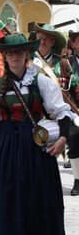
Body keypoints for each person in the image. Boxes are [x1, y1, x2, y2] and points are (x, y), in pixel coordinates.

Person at [0, 34, 71, 235]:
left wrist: (63, 139)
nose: (14, 56)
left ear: (26, 53)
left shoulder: (42, 83)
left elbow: (62, 113)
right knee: (6, 197)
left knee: (37, 197)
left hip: (35, 149)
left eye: (19, 51)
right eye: (10, 52)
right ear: (4, 56)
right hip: (5, 149)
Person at [65, 30, 79, 195]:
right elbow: (61, 88)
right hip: (74, 110)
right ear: (73, 43)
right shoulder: (66, 63)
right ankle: (77, 179)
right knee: (75, 139)